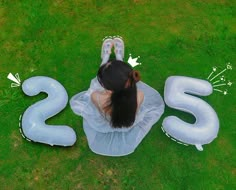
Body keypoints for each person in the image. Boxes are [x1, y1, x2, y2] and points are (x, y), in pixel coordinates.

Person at [70, 37, 164, 156]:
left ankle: (105, 58)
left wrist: (101, 92)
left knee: (94, 85)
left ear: (107, 90)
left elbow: (98, 93)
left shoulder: (97, 97)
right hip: (126, 122)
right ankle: (119, 59)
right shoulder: (139, 95)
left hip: (108, 118)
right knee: (112, 78)